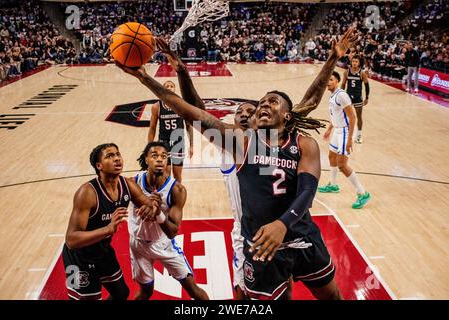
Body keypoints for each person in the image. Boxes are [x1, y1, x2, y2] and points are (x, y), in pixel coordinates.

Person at [115, 26, 360, 300]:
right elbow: (192, 109)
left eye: (252, 110)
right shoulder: (237, 141)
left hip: (297, 232)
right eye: (242, 112)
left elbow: (310, 101)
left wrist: (331, 59)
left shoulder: (296, 140)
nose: (247, 113)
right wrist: (154, 76)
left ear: (282, 117)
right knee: (246, 295)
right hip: (250, 233)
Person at [63, 143, 161, 300]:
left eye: (118, 154)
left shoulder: (127, 185)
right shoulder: (87, 193)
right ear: (99, 165)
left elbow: (149, 205)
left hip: (102, 251)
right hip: (78, 258)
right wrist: (108, 230)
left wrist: (154, 206)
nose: (117, 159)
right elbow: (71, 240)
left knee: (121, 294)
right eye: (110, 156)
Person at [128, 141, 209, 300]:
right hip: (138, 245)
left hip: (163, 243)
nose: (159, 159)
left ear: (167, 161)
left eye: (164, 157)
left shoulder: (177, 190)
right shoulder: (133, 183)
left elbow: (172, 232)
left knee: (193, 289)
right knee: (146, 292)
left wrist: (158, 213)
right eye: (154, 156)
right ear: (146, 159)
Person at [318, 72, 371, 209]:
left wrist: (349, 139)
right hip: (337, 130)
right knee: (331, 157)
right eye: (327, 80)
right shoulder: (332, 95)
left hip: (345, 131)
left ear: (337, 81)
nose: (328, 82)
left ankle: (362, 193)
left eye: (331, 80)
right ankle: (333, 184)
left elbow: (352, 117)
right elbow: (335, 115)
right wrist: (330, 128)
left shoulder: (341, 95)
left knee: (342, 165)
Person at [147, 80, 194, 183]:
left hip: (178, 142)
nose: (169, 87)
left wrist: (191, 145)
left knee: (177, 175)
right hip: (164, 142)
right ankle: (165, 197)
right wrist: (149, 146)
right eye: (167, 85)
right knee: (165, 174)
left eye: (171, 86)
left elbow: (188, 126)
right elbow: (152, 128)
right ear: (163, 89)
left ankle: (177, 197)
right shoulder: (157, 106)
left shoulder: (181, 105)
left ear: (174, 89)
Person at [341, 55, 370, 144]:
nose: (354, 63)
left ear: (359, 63)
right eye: (353, 61)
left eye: (356, 61)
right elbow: (343, 85)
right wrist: (340, 96)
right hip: (347, 98)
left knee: (359, 117)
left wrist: (367, 97)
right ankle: (345, 134)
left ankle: (359, 135)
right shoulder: (346, 72)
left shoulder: (362, 73)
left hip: (358, 98)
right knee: (344, 116)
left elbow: (367, 86)